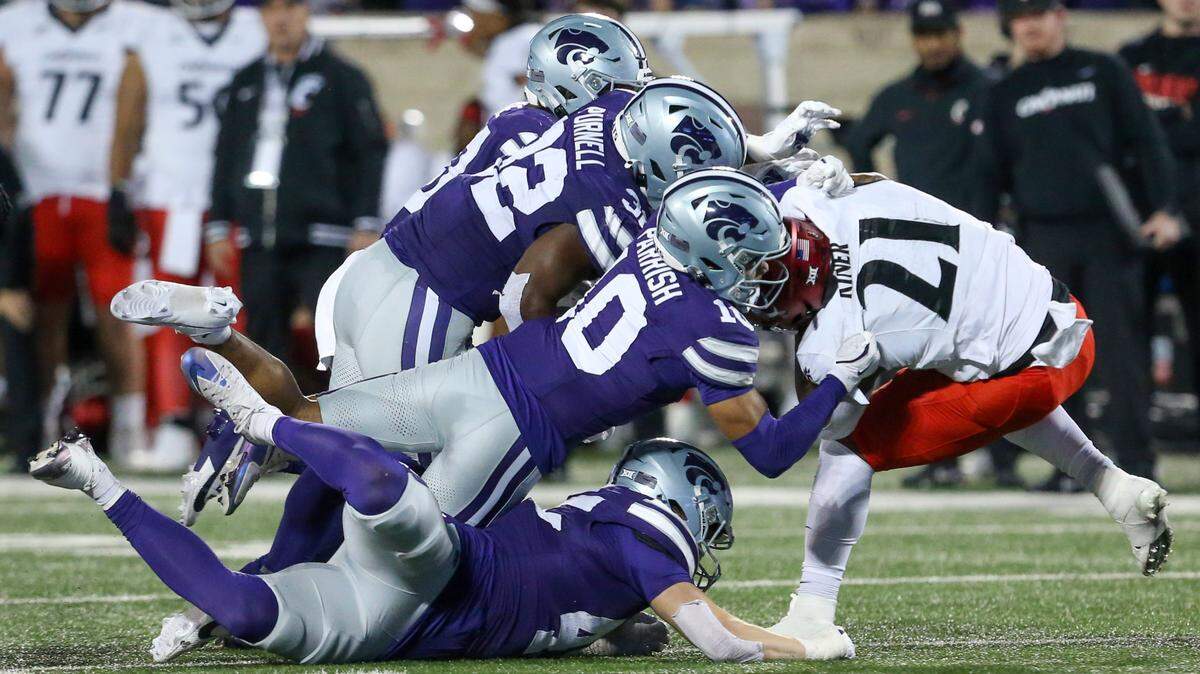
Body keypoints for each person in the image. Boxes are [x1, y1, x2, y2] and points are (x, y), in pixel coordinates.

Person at [759, 159, 1174, 650]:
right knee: (966, 367)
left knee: (850, 445)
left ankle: (812, 610)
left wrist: (818, 347)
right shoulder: (820, 198)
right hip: (1059, 313)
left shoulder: (835, 332)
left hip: (1028, 372)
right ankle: (1117, 489)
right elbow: (868, 181)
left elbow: (825, 419)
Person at [30, 426, 855, 664]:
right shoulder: (642, 542)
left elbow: (619, 621)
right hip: (444, 573)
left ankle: (95, 480)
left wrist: (621, 633)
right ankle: (261, 419)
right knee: (383, 487)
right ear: (680, 503)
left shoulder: (611, 558)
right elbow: (711, 639)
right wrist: (804, 645)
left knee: (249, 613)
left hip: (395, 620)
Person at [972, 0, 1182, 487]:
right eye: (1020, 18)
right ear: (1010, 28)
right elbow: (987, 176)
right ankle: (1074, 468)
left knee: (1122, 352)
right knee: (1054, 359)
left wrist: (1165, 209)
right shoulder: (1003, 93)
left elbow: (1148, 142)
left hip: (1109, 233)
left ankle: (1137, 460)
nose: (1030, 25)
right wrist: (986, 244)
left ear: (1059, 15)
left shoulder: (1103, 70)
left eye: (1038, 13)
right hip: (1040, 240)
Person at [842, 0, 1021, 487]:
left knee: (999, 349)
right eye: (925, 34)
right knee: (930, 355)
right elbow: (860, 143)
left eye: (942, 32)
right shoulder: (897, 95)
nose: (934, 43)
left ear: (959, 33)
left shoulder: (989, 90)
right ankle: (941, 462)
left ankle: (1005, 462)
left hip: (984, 242)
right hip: (921, 247)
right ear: (914, 38)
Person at [0, 0, 164, 464]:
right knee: (40, 316)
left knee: (121, 313)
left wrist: (124, 181)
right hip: (34, 192)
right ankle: (39, 423)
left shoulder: (141, 24)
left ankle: (131, 428)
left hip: (101, 189)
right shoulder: (15, 22)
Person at [107, 0, 265, 469]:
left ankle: (240, 419)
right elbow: (129, 115)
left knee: (237, 310)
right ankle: (173, 420)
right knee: (165, 308)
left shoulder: (253, 29)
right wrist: (117, 186)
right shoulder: (153, 34)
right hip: (170, 196)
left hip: (235, 195)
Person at [201, 0, 387, 369]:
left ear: (306, 12)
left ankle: (335, 424)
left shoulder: (343, 78)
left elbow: (370, 152)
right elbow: (226, 155)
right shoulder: (245, 81)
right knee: (263, 344)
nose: (281, 18)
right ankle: (272, 426)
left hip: (324, 235)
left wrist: (366, 221)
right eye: (271, 9)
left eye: (290, 6)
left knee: (332, 342)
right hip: (260, 236)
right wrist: (219, 224)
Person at [1120, 0, 1200, 419]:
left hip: (1194, 216)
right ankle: (1130, 447)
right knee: (1126, 339)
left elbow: (1149, 136)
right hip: (1137, 219)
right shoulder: (1130, 58)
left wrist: (1179, 212)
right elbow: (1120, 135)